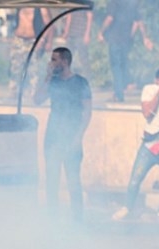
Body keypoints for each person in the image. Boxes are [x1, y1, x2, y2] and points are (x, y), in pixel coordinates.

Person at [112, 68, 159, 224]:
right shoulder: (149, 90)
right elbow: (147, 113)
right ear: (156, 81)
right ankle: (127, 207)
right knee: (136, 178)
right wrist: (158, 96)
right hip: (149, 143)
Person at [34, 47, 91, 222]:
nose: (51, 63)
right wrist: (48, 76)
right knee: (52, 180)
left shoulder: (80, 82)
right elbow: (37, 100)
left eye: (54, 59)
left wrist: (78, 137)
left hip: (71, 135)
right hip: (53, 136)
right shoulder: (53, 81)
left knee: (73, 180)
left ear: (65, 61)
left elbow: (87, 112)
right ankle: (52, 219)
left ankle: (77, 221)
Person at [98, 0, 151, 103]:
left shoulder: (113, 2)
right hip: (126, 39)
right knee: (122, 65)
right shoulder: (132, 2)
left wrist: (101, 32)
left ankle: (119, 94)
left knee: (116, 67)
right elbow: (138, 21)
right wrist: (144, 37)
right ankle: (122, 89)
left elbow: (110, 18)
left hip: (115, 38)